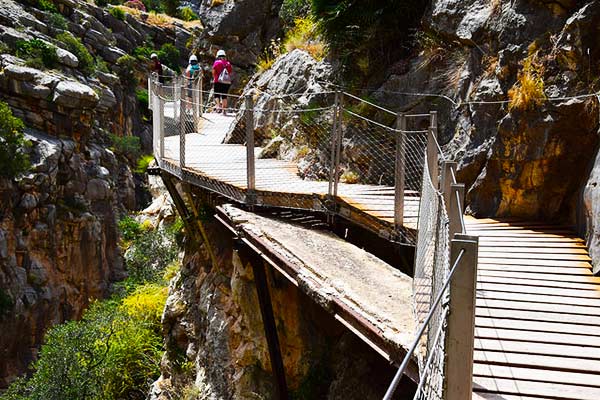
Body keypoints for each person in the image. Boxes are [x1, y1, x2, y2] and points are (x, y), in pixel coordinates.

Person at [212, 49, 233, 115]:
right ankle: (224, 110)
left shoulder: (216, 63)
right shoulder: (228, 63)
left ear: (218, 56)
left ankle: (218, 107)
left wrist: (215, 77)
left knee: (217, 95)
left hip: (217, 81)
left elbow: (213, 71)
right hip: (226, 82)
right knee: (224, 96)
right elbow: (229, 72)